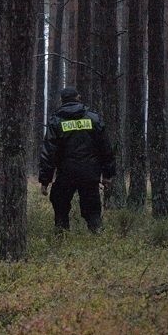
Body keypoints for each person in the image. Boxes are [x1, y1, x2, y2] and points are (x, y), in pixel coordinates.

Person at [39, 87, 115, 232]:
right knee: (92, 210)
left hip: (66, 173)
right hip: (90, 173)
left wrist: (45, 180)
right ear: (78, 98)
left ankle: (61, 234)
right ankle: (97, 235)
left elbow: (49, 153)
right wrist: (108, 174)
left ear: (62, 101)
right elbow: (106, 148)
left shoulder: (56, 121)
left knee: (60, 205)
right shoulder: (93, 118)